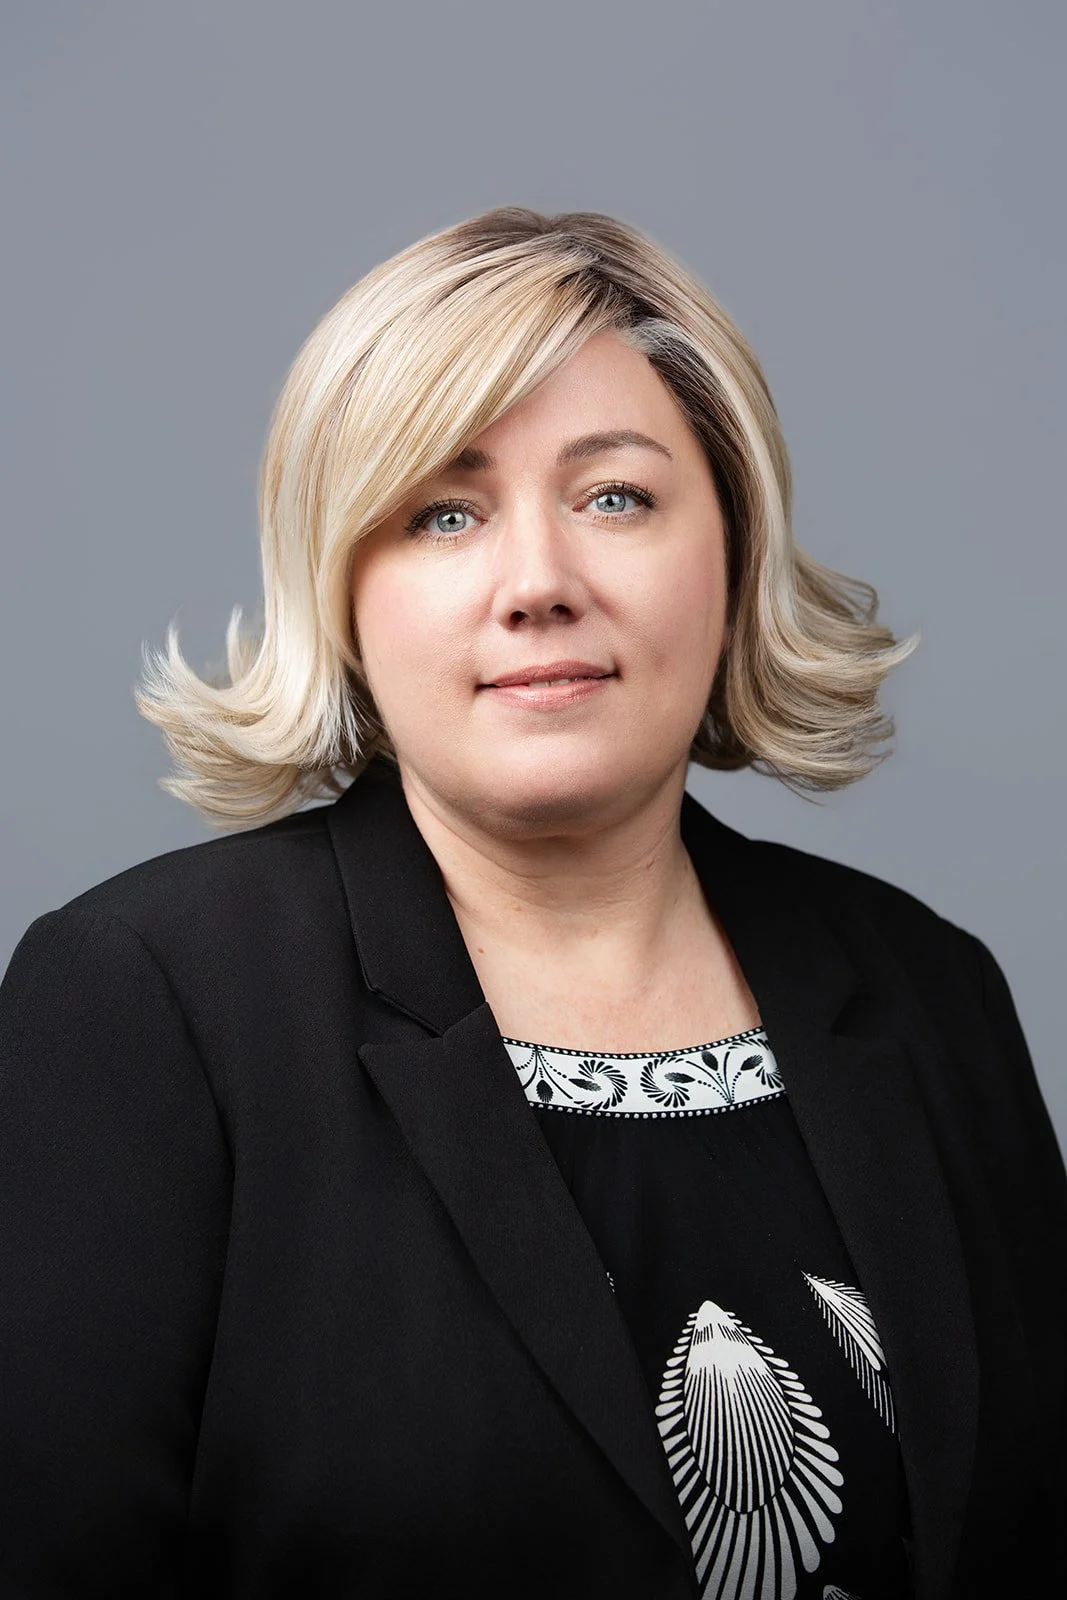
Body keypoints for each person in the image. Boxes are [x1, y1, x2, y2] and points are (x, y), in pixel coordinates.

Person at [0, 206, 1063, 1600]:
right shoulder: (140, 1005)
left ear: (731, 548)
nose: (538, 585)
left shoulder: (926, 991)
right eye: (443, 513)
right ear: (341, 592)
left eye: (613, 497)